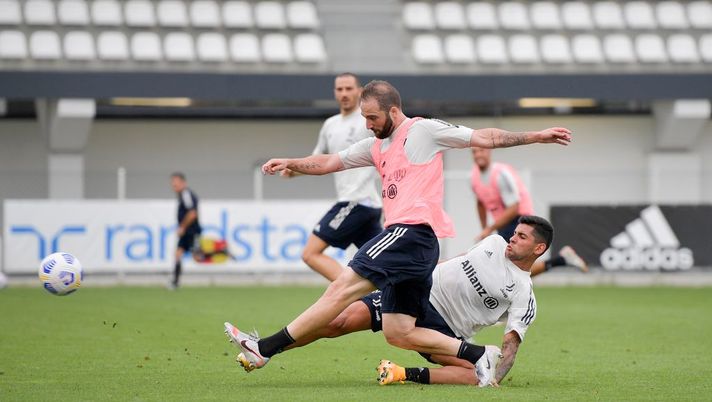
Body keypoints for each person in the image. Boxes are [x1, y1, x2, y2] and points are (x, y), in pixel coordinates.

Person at [225, 80, 572, 386]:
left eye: (372, 117)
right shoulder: (375, 146)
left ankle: (263, 349)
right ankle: (478, 354)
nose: (367, 124)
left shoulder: (422, 131)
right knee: (398, 332)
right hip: (418, 251)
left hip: (411, 233)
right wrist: (292, 162)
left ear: (393, 110)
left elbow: (485, 137)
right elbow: (331, 162)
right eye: (364, 118)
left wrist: (536, 136)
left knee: (341, 288)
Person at [234, 215, 552, 387]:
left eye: (522, 237)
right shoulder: (494, 242)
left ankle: (403, 374)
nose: (513, 237)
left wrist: (496, 378)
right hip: (413, 293)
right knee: (336, 322)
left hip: (444, 331)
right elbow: (456, 261)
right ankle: (264, 349)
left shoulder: (524, 293)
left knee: (477, 374)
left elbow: (510, 346)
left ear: (538, 249)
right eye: (515, 232)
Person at [282, 73, 382, 281]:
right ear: (335, 93)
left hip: (357, 201)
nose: (344, 93)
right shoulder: (330, 125)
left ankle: (351, 293)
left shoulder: (368, 121)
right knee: (383, 266)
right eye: (340, 89)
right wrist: (293, 170)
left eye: (349, 88)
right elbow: (317, 160)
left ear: (360, 91)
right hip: (365, 207)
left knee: (310, 253)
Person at [471, 147, 588, 275]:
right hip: (502, 224)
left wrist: (489, 229)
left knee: (510, 270)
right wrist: (485, 229)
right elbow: (480, 203)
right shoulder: (473, 176)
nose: (477, 154)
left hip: (519, 221)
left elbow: (514, 207)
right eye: (474, 152)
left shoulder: (501, 174)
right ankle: (561, 260)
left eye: (481, 150)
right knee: (509, 270)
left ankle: (561, 260)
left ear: (489, 151)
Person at [170, 172, 201, 289]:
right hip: (186, 232)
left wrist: (182, 226)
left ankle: (220, 249)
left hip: (191, 231)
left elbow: (192, 213)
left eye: (176, 183)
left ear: (183, 183)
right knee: (178, 254)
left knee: (197, 257)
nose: (174, 186)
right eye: (172, 184)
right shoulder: (182, 195)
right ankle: (175, 283)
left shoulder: (186, 194)